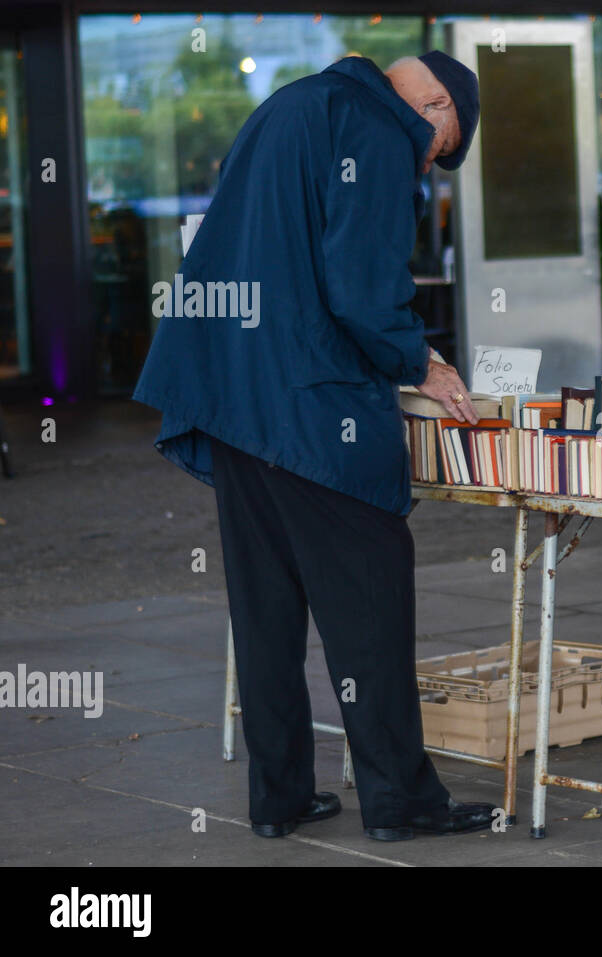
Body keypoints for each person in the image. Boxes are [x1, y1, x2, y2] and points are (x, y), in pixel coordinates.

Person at [133, 51, 496, 842]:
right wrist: (421, 359)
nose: (428, 160)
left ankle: (280, 795)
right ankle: (401, 800)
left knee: (265, 614)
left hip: (235, 400)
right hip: (309, 407)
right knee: (368, 604)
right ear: (432, 104)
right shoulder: (373, 125)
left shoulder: (289, 105)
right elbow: (360, 285)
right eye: (440, 145)